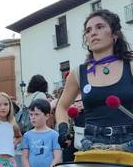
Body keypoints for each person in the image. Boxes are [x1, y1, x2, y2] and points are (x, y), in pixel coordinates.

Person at [55, 9, 133, 152]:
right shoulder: (78, 73)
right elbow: (62, 106)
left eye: (100, 27)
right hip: (91, 145)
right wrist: (63, 129)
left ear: (115, 34)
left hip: (129, 144)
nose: (93, 33)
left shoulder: (131, 66)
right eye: (88, 30)